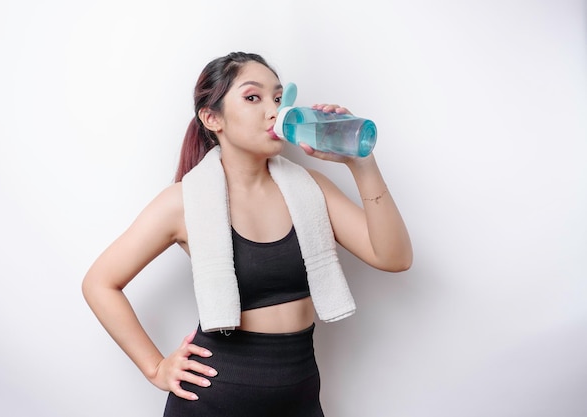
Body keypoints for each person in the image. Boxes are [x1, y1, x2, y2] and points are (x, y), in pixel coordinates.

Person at [82, 51, 412, 417]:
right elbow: (99, 283)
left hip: (300, 399)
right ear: (212, 118)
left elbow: (393, 257)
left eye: (278, 97)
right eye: (252, 97)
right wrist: (156, 367)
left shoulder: (309, 189)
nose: (273, 110)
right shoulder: (183, 203)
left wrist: (361, 162)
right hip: (214, 399)